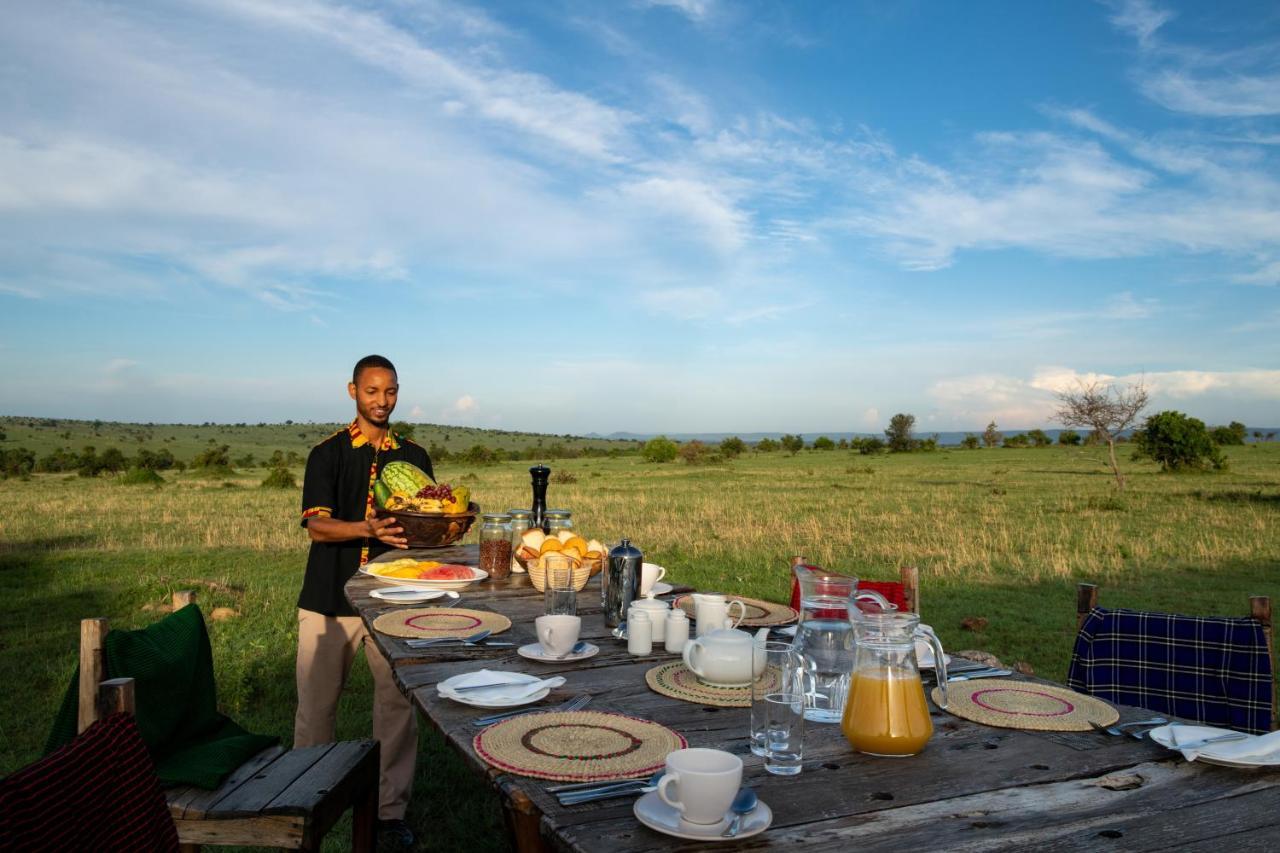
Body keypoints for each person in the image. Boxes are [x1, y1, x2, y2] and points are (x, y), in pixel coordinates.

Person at [294, 354, 431, 849]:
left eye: (390, 391)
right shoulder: (327, 454)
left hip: (393, 600)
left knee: (396, 706)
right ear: (352, 391)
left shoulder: (414, 457)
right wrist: (366, 528)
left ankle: (390, 814)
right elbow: (316, 526)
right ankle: (305, 801)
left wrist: (443, 527)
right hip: (328, 601)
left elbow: (424, 523)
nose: (382, 401)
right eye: (372, 391)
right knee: (316, 707)